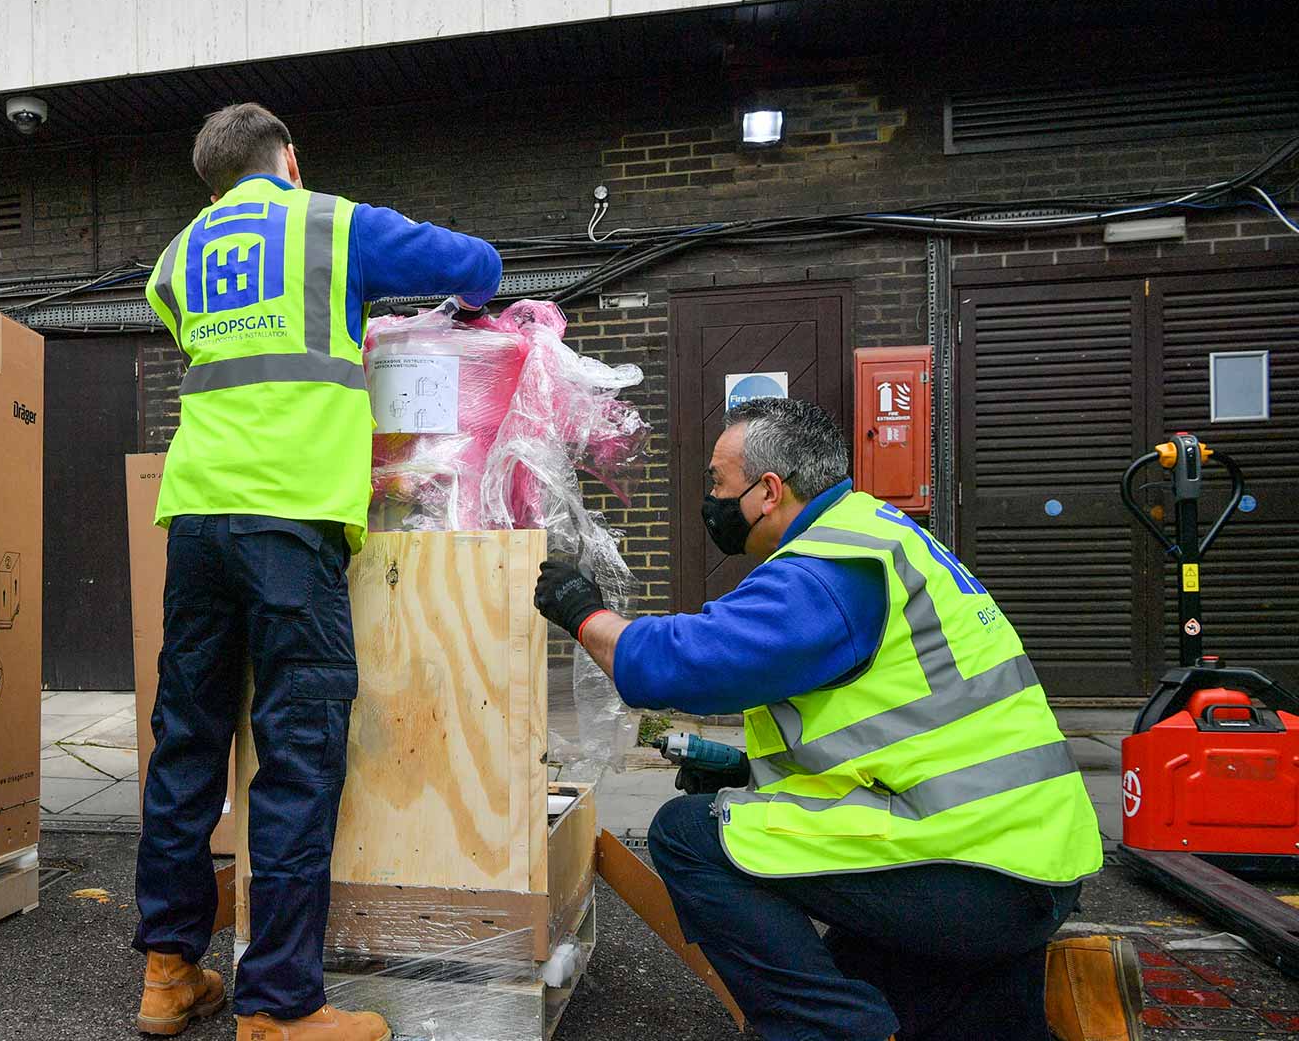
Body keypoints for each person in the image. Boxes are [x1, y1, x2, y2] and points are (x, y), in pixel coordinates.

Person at [533, 397, 1141, 1041]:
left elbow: (679, 667)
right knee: (876, 981)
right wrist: (747, 768)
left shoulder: (830, 571)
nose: (709, 498)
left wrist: (584, 614)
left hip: (971, 871)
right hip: (1027, 858)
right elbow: (887, 728)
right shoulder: (882, 535)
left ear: (768, 491)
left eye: (718, 482)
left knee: (687, 834)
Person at [134, 103, 502, 1041]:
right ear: (288, 160)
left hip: (198, 517)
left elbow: (207, 346)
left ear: (212, 181)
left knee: (187, 740)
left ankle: (170, 973)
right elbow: (478, 268)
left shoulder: (176, 260)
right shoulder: (329, 222)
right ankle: (280, 1006)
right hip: (290, 517)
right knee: (297, 749)